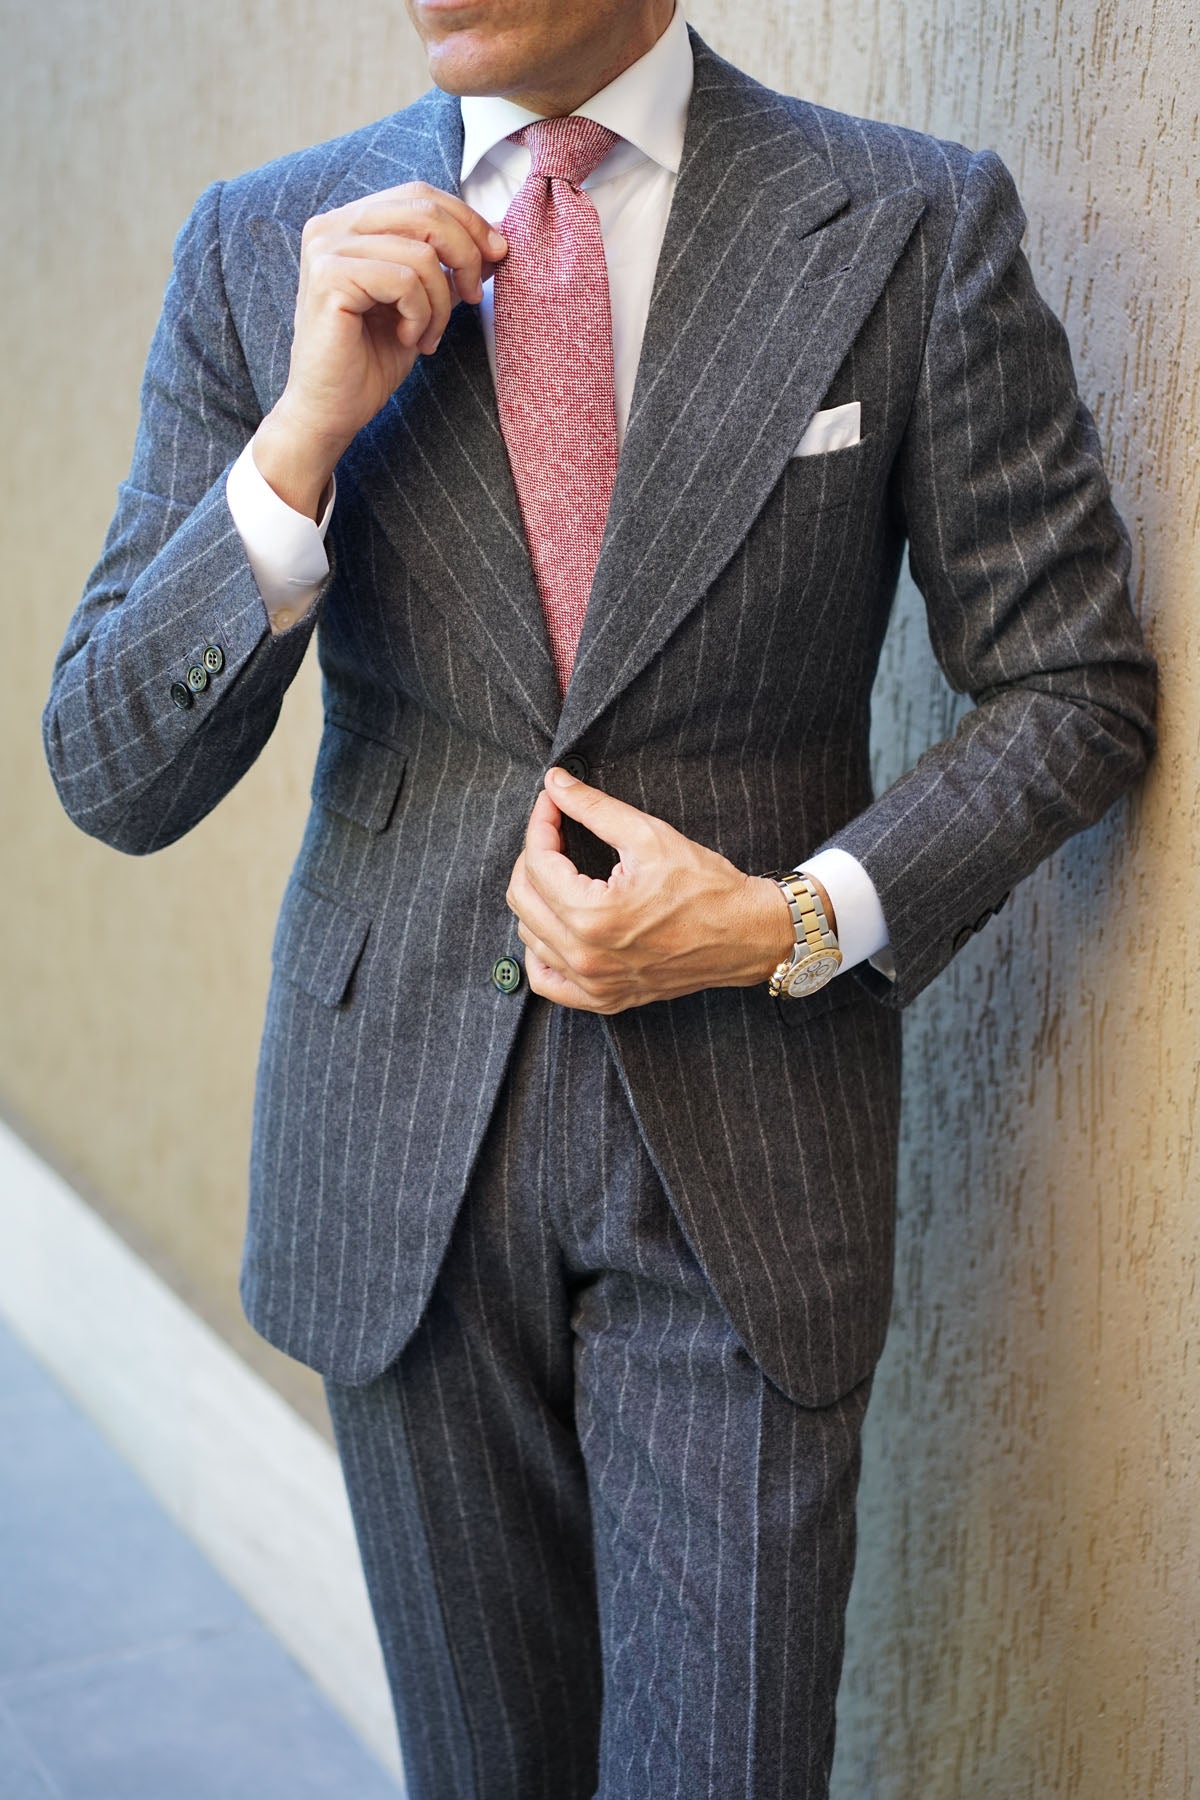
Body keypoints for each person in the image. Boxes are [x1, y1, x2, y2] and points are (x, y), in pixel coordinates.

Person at [43, 1, 1156, 1793]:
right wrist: (299, 441)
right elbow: (113, 772)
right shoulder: (267, 247)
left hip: (744, 1153)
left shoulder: (907, 222)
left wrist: (793, 919)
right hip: (396, 1149)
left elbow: (1073, 683)